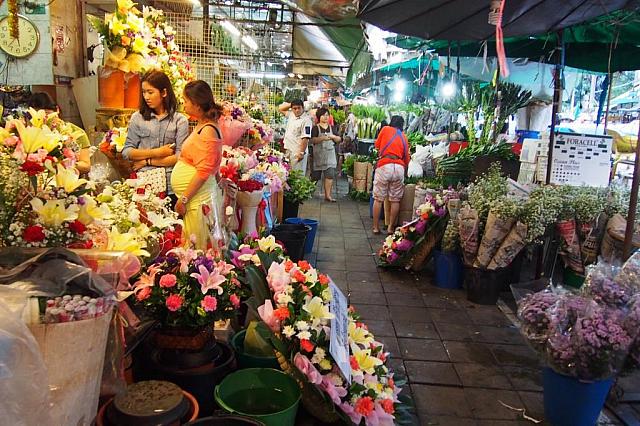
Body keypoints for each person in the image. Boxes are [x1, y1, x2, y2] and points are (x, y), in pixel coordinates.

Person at [170, 80, 235, 249]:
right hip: (196, 200)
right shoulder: (203, 125)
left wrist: (184, 199)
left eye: (185, 101)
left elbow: (204, 171)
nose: (183, 104)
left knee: (198, 248)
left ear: (197, 105)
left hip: (197, 200)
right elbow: (211, 163)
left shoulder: (208, 130)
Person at [122, 70, 189, 205]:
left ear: (164, 93)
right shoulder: (138, 118)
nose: (146, 97)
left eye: (150, 92)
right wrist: (157, 153)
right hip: (143, 185)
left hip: (171, 186)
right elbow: (127, 152)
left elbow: (179, 157)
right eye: (143, 92)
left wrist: (147, 161)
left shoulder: (180, 121)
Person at [28, 92, 92, 174]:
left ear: (57, 110)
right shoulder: (30, 134)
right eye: (37, 116)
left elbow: (86, 166)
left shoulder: (76, 132)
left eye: (47, 113)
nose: (44, 119)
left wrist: (66, 163)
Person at [372, 115, 410, 235]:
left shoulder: (385, 129)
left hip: (385, 165)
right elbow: (406, 158)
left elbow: (377, 145)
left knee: (378, 198)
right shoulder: (404, 137)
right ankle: (390, 228)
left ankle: (376, 227)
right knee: (395, 200)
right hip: (399, 168)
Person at [310, 107, 341, 202]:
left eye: (327, 115)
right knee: (315, 176)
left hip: (330, 156)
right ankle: (308, 192)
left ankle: (328, 195)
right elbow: (312, 140)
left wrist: (333, 137)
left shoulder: (333, 128)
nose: (325, 117)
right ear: (319, 117)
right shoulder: (315, 128)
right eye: (323, 115)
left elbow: (339, 139)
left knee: (330, 174)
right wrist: (323, 138)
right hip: (318, 156)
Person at [279, 99, 312, 174]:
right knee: (288, 173)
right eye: (294, 108)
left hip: (297, 151)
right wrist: (291, 104)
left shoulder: (306, 120)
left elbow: (305, 138)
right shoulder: (291, 115)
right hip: (288, 149)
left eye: (299, 108)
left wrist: (301, 153)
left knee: (297, 175)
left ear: (303, 108)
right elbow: (280, 109)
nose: (297, 110)